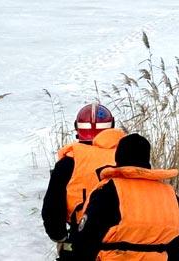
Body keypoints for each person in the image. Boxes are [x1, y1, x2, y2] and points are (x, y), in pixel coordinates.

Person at [72, 133, 179, 261]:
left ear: (117, 157)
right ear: (147, 159)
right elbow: (178, 248)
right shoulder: (169, 194)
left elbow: (85, 241)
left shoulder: (108, 190)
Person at [42, 103, 125, 260]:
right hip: (125, 241)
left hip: (80, 242)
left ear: (77, 128)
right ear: (112, 126)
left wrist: (60, 238)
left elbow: (52, 208)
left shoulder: (69, 162)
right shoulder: (127, 157)